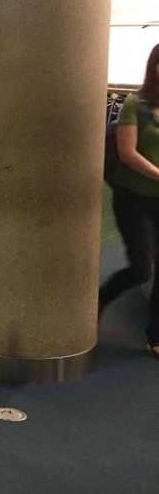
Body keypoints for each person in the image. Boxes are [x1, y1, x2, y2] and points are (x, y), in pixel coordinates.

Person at [101, 43, 159, 358]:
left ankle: (155, 335)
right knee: (141, 269)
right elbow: (127, 152)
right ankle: (101, 298)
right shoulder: (135, 104)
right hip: (133, 198)